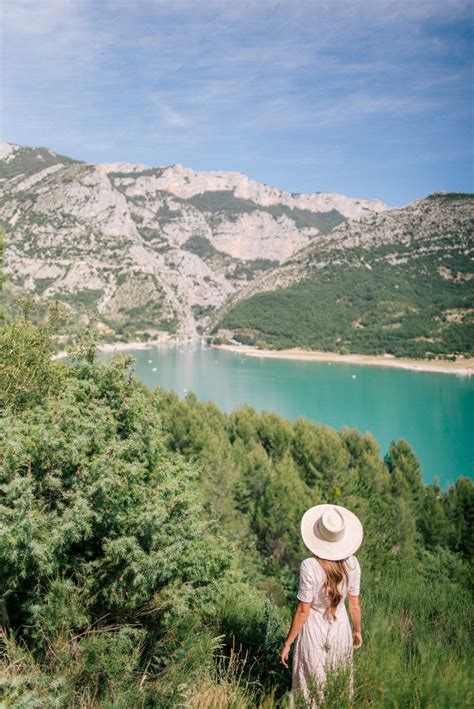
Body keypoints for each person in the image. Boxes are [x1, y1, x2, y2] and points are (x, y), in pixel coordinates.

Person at [279, 504, 363, 707]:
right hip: (340, 627)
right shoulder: (352, 564)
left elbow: (303, 610)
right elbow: (354, 605)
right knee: (338, 683)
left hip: (314, 628)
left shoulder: (309, 566)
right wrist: (357, 630)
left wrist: (288, 642)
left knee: (310, 686)